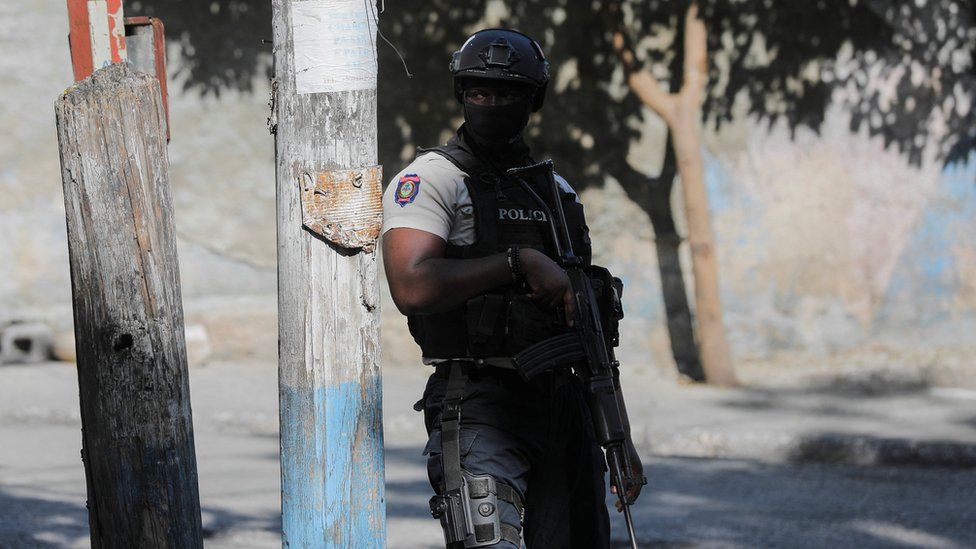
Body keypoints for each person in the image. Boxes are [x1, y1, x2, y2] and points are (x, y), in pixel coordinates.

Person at [381, 28, 643, 548]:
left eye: (508, 94)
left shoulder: (555, 191)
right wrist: (517, 262)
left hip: (566, 408)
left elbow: (587, 331)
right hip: (482, 401)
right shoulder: (433, 178)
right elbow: (411, 285)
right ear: (462, 95)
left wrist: (618, 437)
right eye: (480, 92)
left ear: (533, 100)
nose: (492, 103)